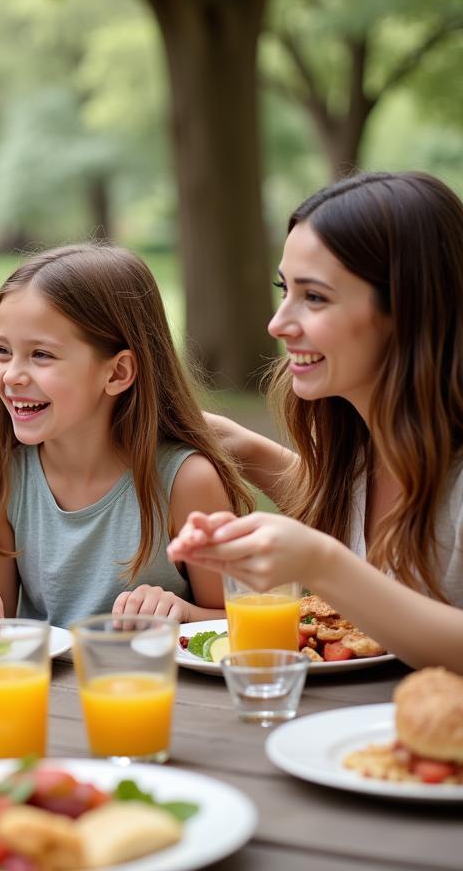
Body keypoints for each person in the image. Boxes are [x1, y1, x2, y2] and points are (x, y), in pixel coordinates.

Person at [168, 171, 463, 674]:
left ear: (407, 309)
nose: (278, 323)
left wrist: (321, 564)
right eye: (285, 289)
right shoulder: (366, 446)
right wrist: (239, 446)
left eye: (315, 297)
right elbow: (347, 508)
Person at [0, 244, 252, 627]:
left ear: (118, 373)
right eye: (3, 351)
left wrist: (184, 614)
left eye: (41, 354)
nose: (11, 375)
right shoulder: (1, 481)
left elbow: (237, 625)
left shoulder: (186, 483)